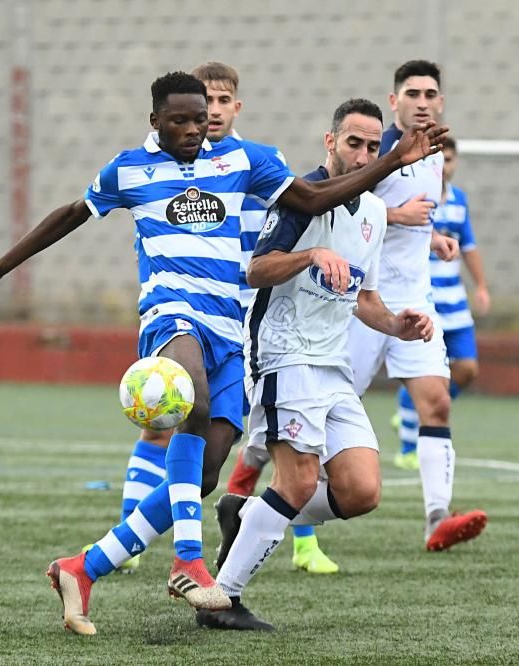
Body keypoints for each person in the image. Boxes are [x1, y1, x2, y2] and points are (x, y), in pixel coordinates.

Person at [0, 71, 446, 635]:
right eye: (178, 120)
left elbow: (317, 195)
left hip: (229, 329)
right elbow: (72, 213)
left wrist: (392, 162)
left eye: (199, 120)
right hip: (171, 315)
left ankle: (82, 567)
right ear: (154, 120)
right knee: (191, 401)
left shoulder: (244, 160)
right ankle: (188, 561)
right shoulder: (129, 168)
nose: (190, 130)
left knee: (205, 472)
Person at [198, 97, 434, 630]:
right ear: (330, 142)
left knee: (361, 491)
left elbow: (365, 299)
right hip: (284, 355)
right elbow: (257, 270)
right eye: (354, 143)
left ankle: (249, 513)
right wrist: (308, 255)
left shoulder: (374, 213)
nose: (363, 154)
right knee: (300, 481)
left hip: (334, 365)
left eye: (374, 146)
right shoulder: (300, 198)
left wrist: (400, 325)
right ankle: (221, 601)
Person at [111, 62, 337, 576]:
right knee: (166, 414)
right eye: (201, 102)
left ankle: (297, 539)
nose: (208, 113)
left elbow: (291, 221)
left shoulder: (256, 162)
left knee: (268, 437)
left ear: (235, 107)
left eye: (219, 101)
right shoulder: (154, 168)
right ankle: (150, 542)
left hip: (244, 314)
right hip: (181, 308)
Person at [345, 59, 487, 550]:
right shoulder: (376, 147)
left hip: (415, 300)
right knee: (330, 405)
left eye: (430, 94)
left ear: (440, 102)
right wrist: (397, 214)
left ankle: (436, 519)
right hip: (364, 300)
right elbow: (339, 201)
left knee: (438, 402)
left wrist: (434, 241)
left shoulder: (435, 152)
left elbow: (410, 226)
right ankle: (251, 487)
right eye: (412, 94)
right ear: (393, 101)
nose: (421, 102)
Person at [393, 135, 490, 471]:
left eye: (450, 160)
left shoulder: (459, 200)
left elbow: (469, 245)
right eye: (440, 160)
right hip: (426, 300)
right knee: (422, 371)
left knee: (467, 369)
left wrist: (481, 286)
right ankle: (408, 446)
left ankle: (416, 408)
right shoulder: (417, 198)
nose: (445, 166)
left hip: (455, 301)